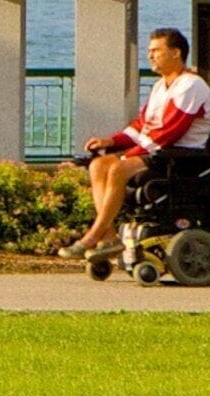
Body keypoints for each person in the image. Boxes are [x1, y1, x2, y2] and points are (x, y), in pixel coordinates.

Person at [67, 25, 210, 259]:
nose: (150, 55)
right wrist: (111, 141)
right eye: (150, 50)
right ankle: (109, 237)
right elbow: (142, 125)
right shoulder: (159, 87)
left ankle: (93, 234)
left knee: (116, 167)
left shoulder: (190, 85)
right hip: (158, 151)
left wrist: (127, 155)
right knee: (98, 165)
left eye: (156, 50)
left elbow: (168, 132)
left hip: (182, 156)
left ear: (176, 53)